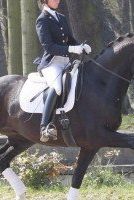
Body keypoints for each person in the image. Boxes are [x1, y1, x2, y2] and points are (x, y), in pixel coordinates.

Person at [36, 0, 92, 142]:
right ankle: (45, 127)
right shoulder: (42, 20)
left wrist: (81, 46)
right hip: (51, 64)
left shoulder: (61, 18)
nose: (57, 0)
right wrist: (71, 49)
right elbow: (48, 47)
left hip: (66, 62)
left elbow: (70, 40)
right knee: (57, 87)